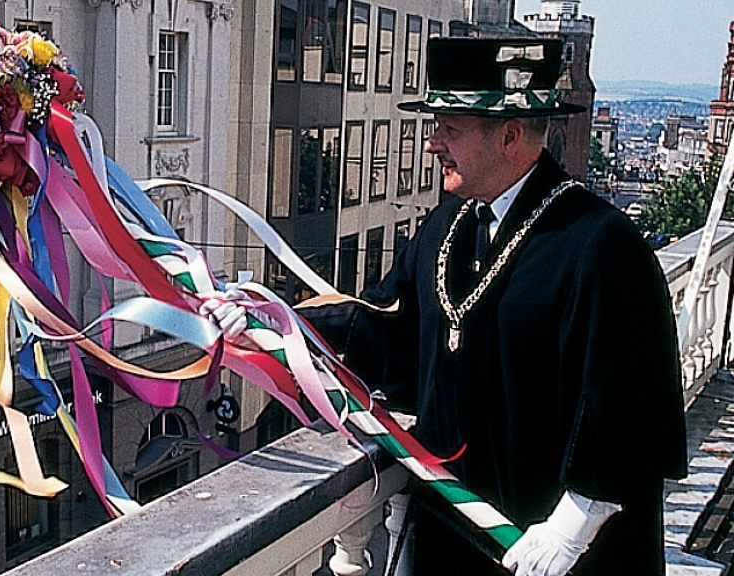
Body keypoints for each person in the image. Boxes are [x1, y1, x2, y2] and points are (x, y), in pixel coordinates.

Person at [207, 37, 687, 576]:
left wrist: (574, 524)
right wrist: (279, 325)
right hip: (453, 539)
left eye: (449, 129)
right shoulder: (449, 226)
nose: (433, 145)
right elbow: (386, 329)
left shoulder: (601, 243)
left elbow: (630, 403)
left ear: (508, 136)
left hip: (559, 553)